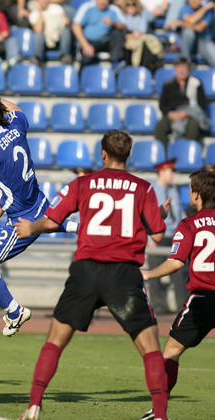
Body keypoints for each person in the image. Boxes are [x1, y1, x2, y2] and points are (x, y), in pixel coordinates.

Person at [13, 130, 170, 420]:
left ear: (103, 154)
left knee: (55, 340)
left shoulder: (82, 183)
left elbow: (52, 221)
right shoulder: (143, 188)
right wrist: (158, 213)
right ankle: (160, 414)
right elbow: (158, 235)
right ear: (128, 155)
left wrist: (30, 228)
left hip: (85, 271)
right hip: (124, 274)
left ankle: (34, 405)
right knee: (150, 348)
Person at [0, 88, 77, 338]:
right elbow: (15, 108)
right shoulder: (15, 125)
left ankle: (15, 311)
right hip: (39, 202)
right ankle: (78, 227)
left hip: (22, 221)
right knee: (55, 221)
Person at [140, 169, 215, 420]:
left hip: (203, 298)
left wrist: (149, 274)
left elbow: (175, 263)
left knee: (172, 350)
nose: (189, 193)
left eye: (191, 189)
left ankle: (158, 413)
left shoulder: (189, 223)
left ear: (198, 194)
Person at [146, 159, 188, 315]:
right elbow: (146, 215)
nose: (173, 174)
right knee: (155, 273)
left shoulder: (173, 190)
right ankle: (158, 306)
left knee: (180, 273)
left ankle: (182, 305)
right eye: (171, 171)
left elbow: (179, 215)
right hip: (158, 236)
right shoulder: (151, 191)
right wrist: (150, 239)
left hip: (174, 236)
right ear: (162, 171)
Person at [154, 57, 208, 148]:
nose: (182, 70)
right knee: (160, 127)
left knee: (193, 126)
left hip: (190, 114)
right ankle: (164, 153)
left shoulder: (196, 83)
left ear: (188, 69)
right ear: (175, 69)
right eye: (179, 67)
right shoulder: (168, 84)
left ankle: (187, 151)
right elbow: (162, 105)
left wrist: (186, 113)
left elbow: (201, 105)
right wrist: (170, 113)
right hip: (172, 114)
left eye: (184, 67)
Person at [72, 0, 126, 68]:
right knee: (86, 60)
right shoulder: (87, 7)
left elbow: (124, 26)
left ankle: (115, 63)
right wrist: (85, 45)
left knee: (117, 33)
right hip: (89, 42)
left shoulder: (113, 9)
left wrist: (114, 23)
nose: (102, 2)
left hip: (105, 41)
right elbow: (75, 26)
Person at [121, 0, 164, 72]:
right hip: (129, 41)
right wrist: (132, 35)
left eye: (134, 4)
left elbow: (144, 30)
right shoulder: (122, 16)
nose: (131, 7)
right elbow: (123, 33)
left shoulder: (143, 13)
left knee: (144, 43)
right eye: (128, 5)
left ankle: (148, 67)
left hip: (142, 38)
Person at [29, 0, 73, 65]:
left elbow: (67, 22)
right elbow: (38, 29)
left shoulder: (56, 8)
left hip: (58, 38)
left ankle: (65, 56)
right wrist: (40, 13)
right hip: (45, 40)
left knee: (66, 31)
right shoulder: (34, 13)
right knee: (38, 35)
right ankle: (37, 58)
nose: (43, 1)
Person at [174, 0, 215, 67]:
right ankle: (186, 63)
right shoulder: (184, 9)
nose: (194, 1)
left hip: (204, 40)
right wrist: (205, 8)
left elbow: (200, 28)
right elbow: (191, 20)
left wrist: (181, 23)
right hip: (188, 42)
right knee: (188, 32)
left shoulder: (208, 11)